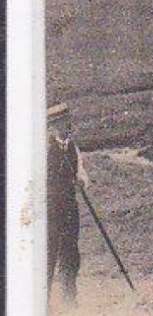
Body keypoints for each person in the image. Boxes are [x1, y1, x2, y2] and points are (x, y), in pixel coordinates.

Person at [47, 102, 88, 302]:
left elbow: (81, 172)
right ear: (51, 127)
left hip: (70, 206)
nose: (66, 126)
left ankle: (69, 297)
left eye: (67, 121)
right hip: (49, 208)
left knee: (70, 251)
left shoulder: (73, 147)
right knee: (48, 253)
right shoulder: (43, 150)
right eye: (61, 123)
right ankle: (42, 301)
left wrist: (81, 180)